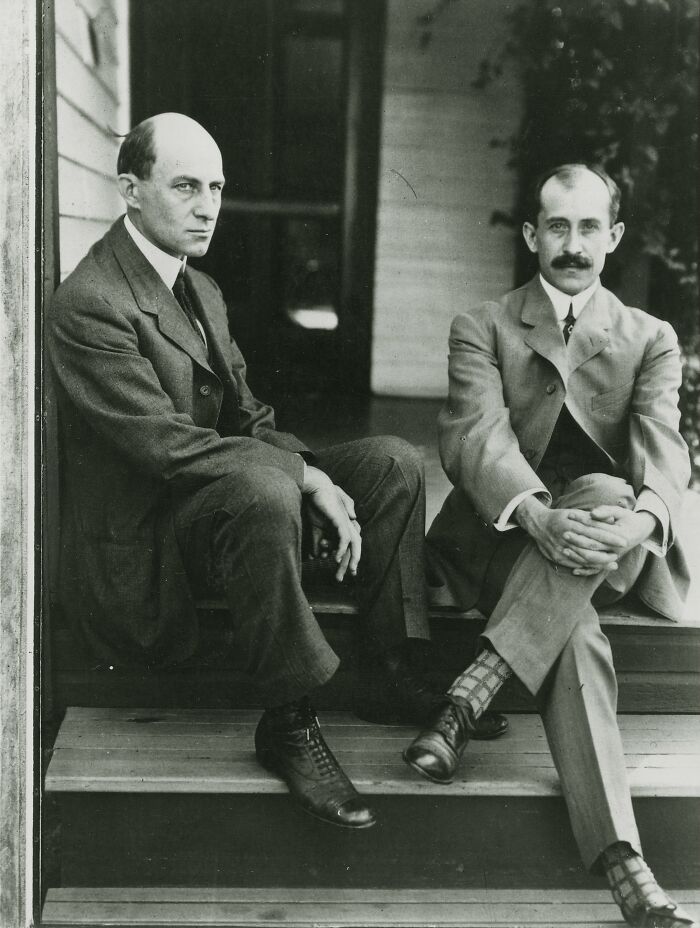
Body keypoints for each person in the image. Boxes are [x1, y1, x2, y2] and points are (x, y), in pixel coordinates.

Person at [47, 112, 503, 832]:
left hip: (216, 506)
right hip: (152, 546)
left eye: (217, 187)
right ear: (129, 189)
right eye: (186, 186)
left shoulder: (201, 289)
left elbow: (247, 419)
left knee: (392, 462)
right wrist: (305, 478)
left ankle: (386, 669)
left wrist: (315, 471)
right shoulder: (91, 303)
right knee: (266, 486)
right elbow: (166, 447)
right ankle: (288, 721)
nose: (207, 207)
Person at [405, 164, 696, 928]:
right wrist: (536, 516)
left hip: (607, 541)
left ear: (614, 236)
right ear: (533, 235)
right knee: (581, 638)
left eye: (589, 227)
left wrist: (642, 521)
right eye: (557, 228)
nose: (573, 245)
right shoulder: (484, 325)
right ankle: (623, 861)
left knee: (608, 495)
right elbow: (474, 438)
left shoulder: (651, 338)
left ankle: (473, 688)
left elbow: (664, 448)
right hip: (509, 538)